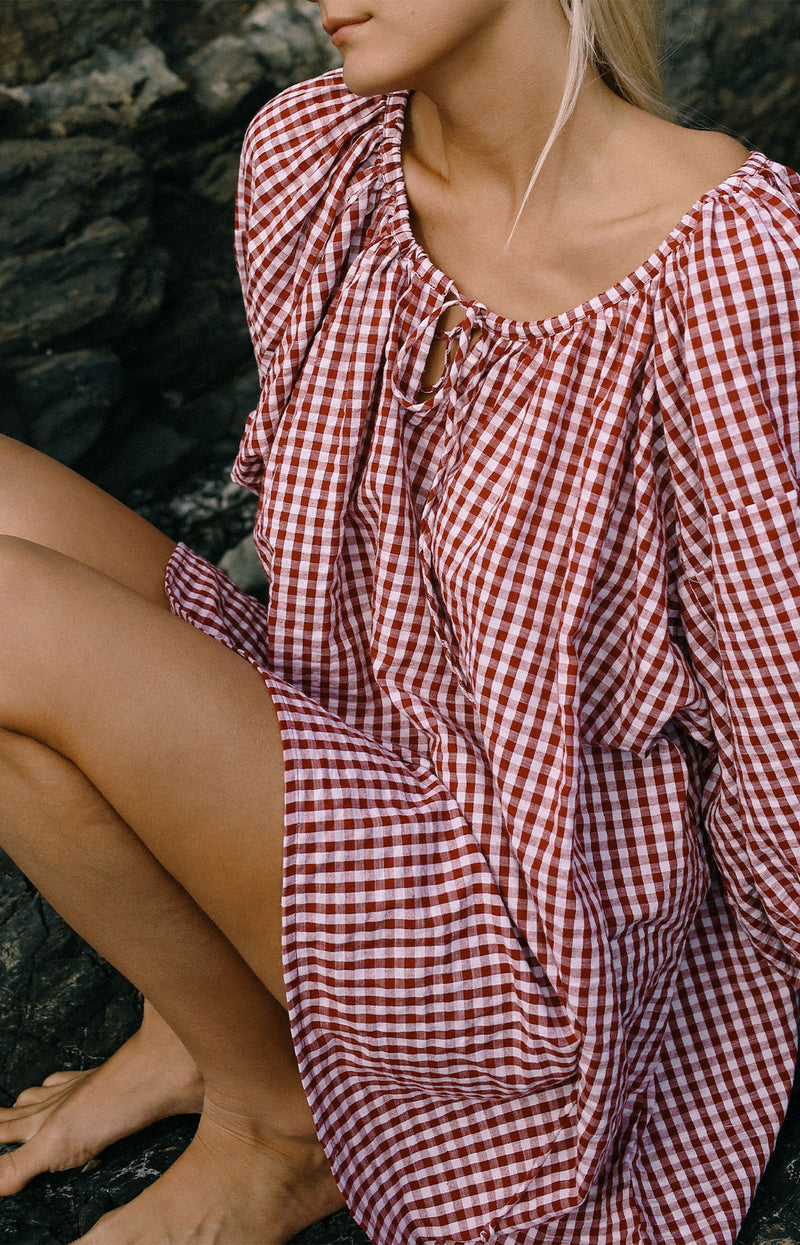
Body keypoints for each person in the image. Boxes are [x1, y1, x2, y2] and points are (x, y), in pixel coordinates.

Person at [0, 0, 799, 1241]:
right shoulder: (315, 154)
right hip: (354, 745)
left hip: (529, 911)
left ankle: (280, 1123)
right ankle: (220, 1018)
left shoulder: (733, 266)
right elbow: (331, 560)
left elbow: (770, 719)